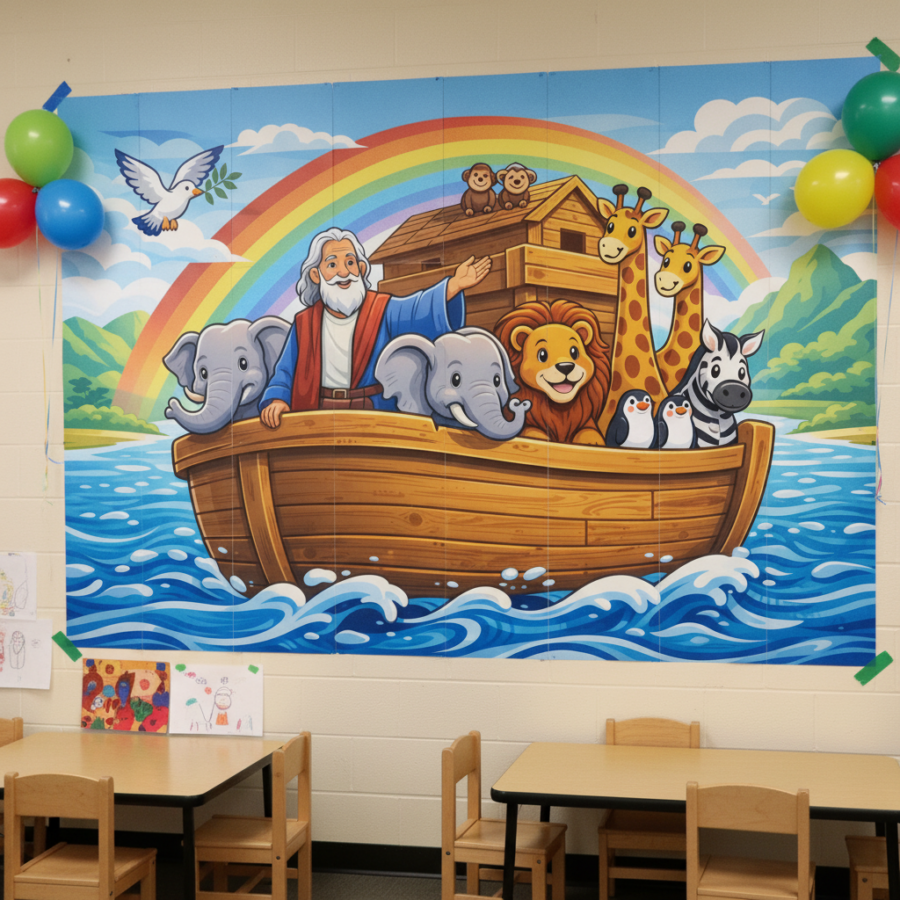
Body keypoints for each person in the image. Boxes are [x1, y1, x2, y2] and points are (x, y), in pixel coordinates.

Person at [259, 227, 491, 427]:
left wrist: (453, 286)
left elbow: (417, 309)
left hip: (374, 413)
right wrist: (278, 399)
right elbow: (285, 372)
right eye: (332, 264)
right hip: (317, 413)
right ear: (316, 274)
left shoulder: (383, 309)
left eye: (350, 262)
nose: (343, 272)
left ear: (361, 268)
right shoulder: (304, 323)